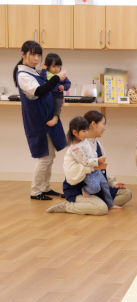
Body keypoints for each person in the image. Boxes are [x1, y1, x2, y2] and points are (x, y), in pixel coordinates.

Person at [47, 111, 132, 215]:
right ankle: (69, 206)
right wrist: (94, 168)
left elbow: (101, 172)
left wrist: (113, 183)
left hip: (96, 187)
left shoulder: (97, 144)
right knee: (102, 209)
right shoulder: (75, 148)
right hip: (78, 189)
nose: (104, 128)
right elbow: (72, 175)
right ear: (93, 124)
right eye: (103, 124)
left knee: (127, 194)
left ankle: (94, 203)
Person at [14, 40, 67, 200]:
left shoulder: (35, 72)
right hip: (38, 121)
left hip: (46, 119)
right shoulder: (23, 75)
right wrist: (56, 79)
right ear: (23, 54)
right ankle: (35, 191)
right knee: (44, 157)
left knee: (50, 156)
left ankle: (45, 187)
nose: (36, 58)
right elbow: (38, 91)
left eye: (38, 55)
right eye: (33, 54)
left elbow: (48, 89)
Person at [66, 116, 119, 209]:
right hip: (86, 175)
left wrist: (99, 160)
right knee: (96, 188)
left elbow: (92, 153)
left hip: (95, 170)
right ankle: (84, 192)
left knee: (105, 185)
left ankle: (110, 204)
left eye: (86, 130)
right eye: (84, 131)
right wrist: (97, 161)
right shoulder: (75, 148)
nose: (86, 133)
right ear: (75, 132)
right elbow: (85, 162)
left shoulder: (86, 141)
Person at [40, 53, 71, 125]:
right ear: (47, 66)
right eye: (54, 66)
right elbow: (42, 79)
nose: (56, 69)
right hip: (47, 96)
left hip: (58, 96)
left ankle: (55, 117)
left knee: (58, 104)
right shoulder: (45, 74)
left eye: (58, 66)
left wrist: (64, 87)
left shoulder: (61, 75)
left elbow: (68, 83)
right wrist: (44, 70)